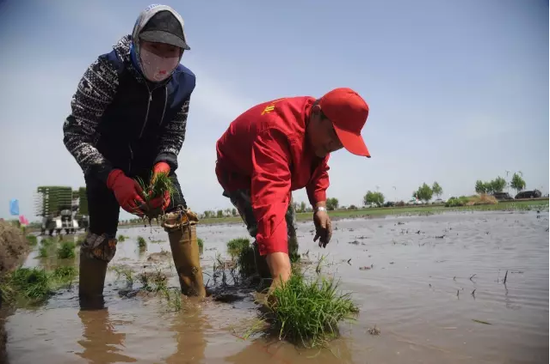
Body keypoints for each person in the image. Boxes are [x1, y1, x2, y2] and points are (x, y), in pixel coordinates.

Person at [63, 4, 206, 309]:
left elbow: (173, 135)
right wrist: (113, 178)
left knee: (180, 217)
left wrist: (164, 166)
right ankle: (91, 310)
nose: (163, 58)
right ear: (137, 40)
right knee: (100, 236)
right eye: (155, 47)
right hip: (105, 162)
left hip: (151, 161)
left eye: (173, 51)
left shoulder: (185, 83)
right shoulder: (106, 71)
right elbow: (75, 133)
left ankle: (196, 301)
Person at [215, 87, 371, 292]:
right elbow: (270, 202)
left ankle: (279, 280)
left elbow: (319, 170)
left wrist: (320, 208)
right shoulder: (277, 131)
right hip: (240, 171)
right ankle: (267, 289)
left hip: (276, 169)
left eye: (343, 141)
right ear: (316, 113)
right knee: (270, 233)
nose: (335, 144)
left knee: (289, 240)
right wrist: (281, 273)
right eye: (334, 134)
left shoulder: (321, 137)